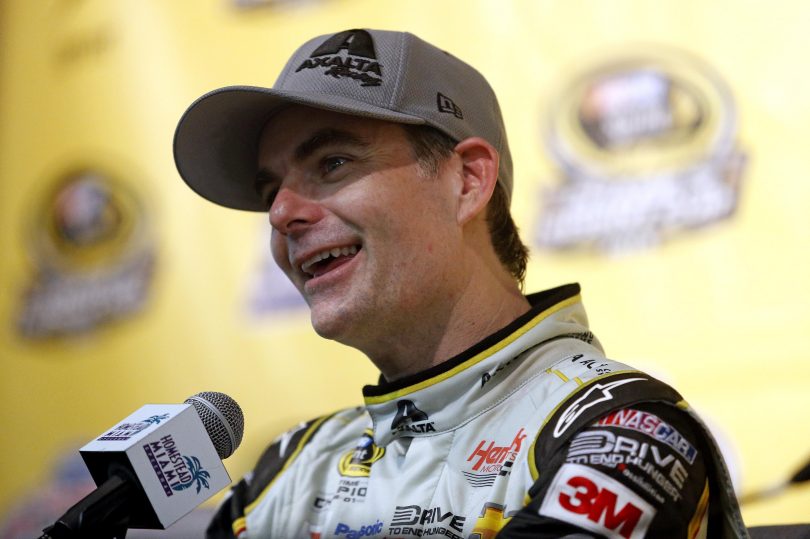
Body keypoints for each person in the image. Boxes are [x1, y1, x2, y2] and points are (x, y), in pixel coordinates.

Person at [173, 28, 748, 538]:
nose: (280, 215)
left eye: (334, 164)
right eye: (269, 190)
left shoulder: (623, 430)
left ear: (468, 181)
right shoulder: (291, 468)